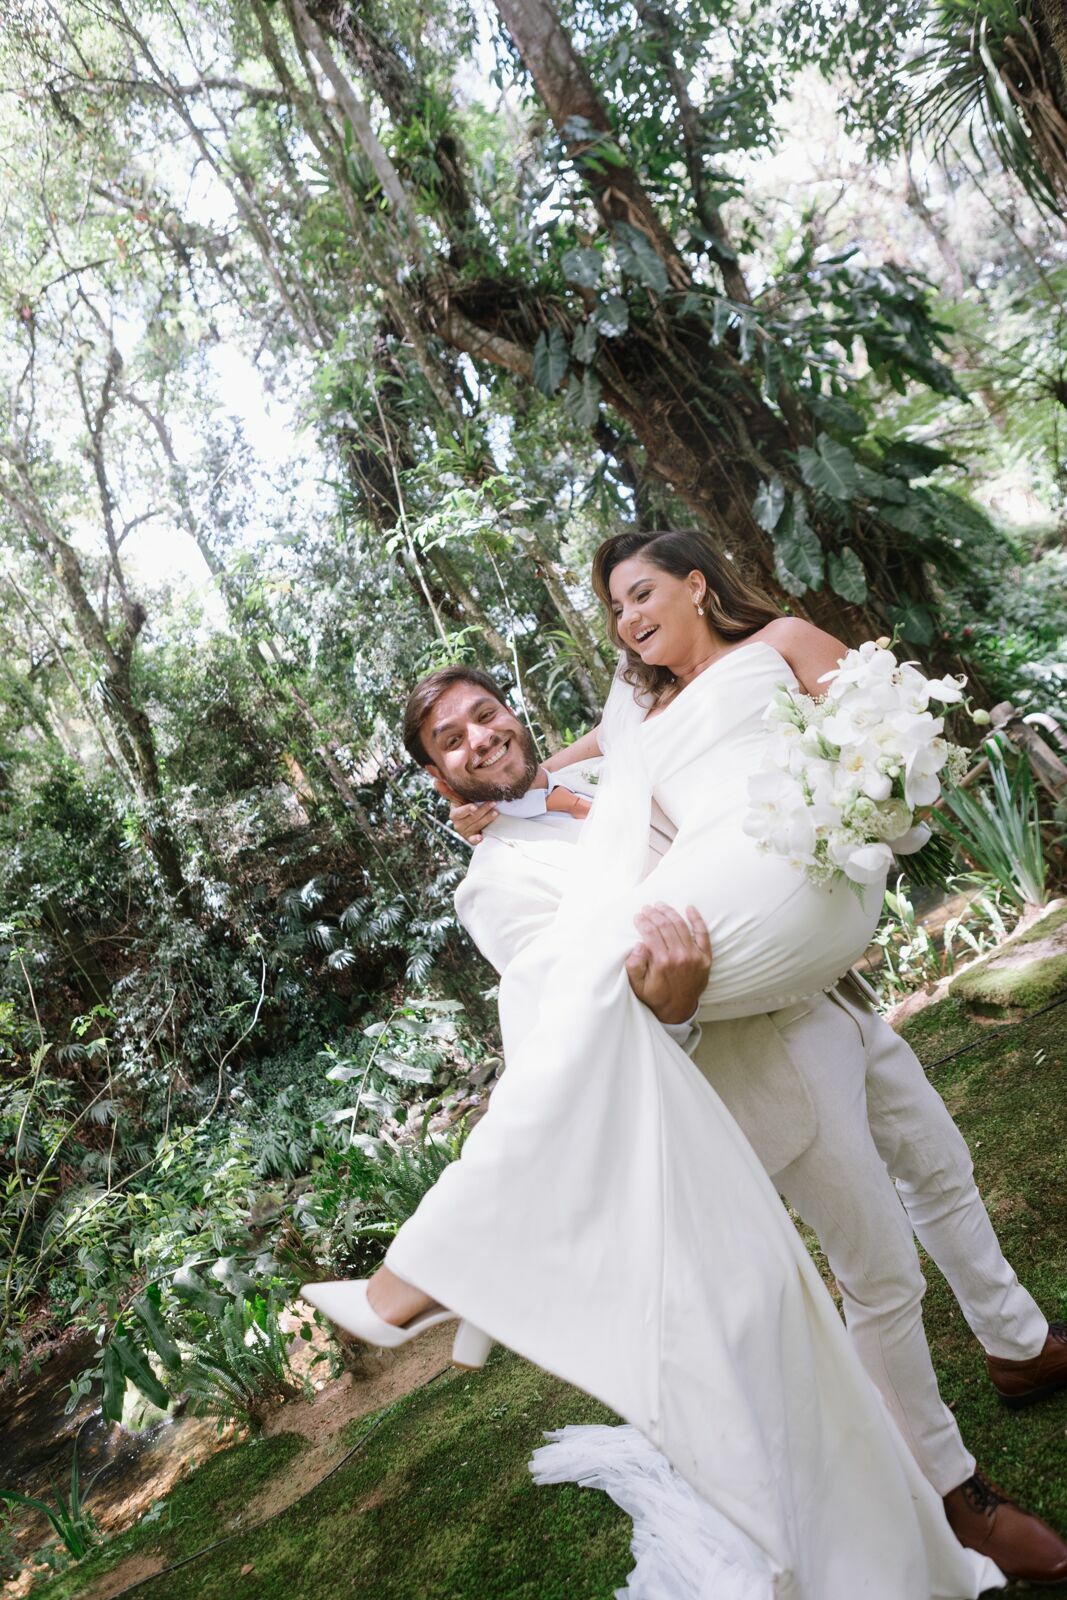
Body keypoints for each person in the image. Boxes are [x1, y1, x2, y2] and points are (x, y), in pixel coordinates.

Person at [303, 531, 1019, 1595]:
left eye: (484, 713)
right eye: (449, 740)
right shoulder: (490, 884)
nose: (479, 737)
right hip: (751, 1055)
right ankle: (953, 1498)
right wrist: (675, 1009)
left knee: (941, 1168)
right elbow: (613, 1013)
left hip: (828, 993)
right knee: (874, 1272)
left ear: (512, 711)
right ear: (434, 774)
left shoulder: (610, 759)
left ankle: (1016, 1342)